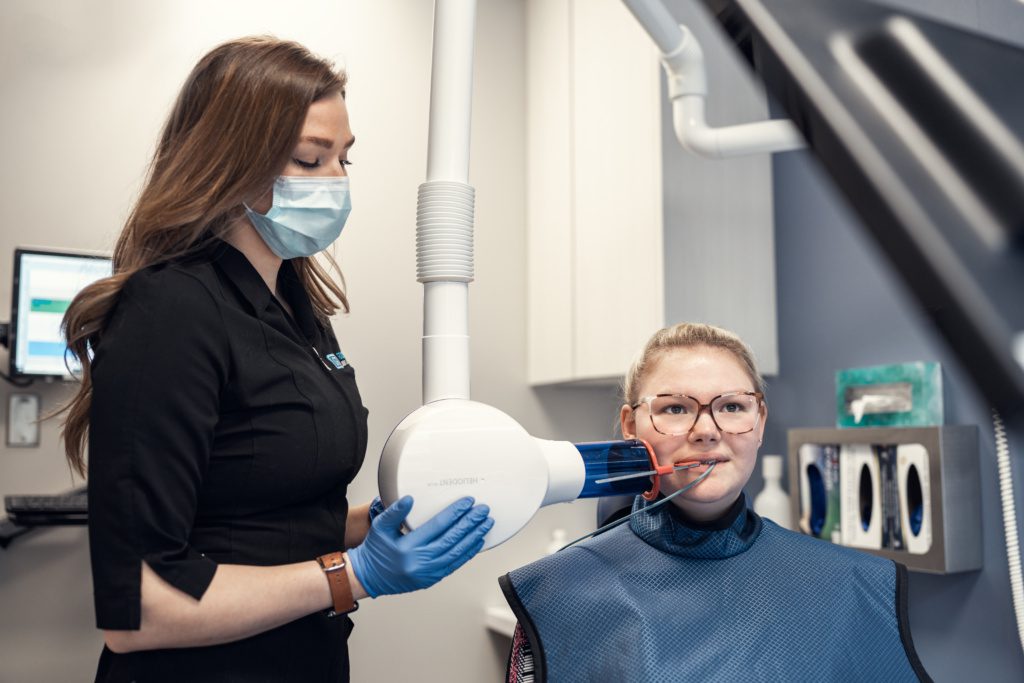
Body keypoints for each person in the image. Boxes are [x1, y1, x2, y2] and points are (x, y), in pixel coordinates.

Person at [59, 37, 493, 683]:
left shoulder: (296, 304)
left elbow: (255, 505)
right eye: (309, 160)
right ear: (229, 160)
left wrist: (363, 523)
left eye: (345, 159)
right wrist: (356, 575)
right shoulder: (171, 309)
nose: (338, 182)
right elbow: (138, 608)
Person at [499, 322, 931, 682]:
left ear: (759, 423)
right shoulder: (555, 595)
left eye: (731, 406)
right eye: (674, 409)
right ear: (631, 426)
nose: (706, 430)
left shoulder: (854, 585)